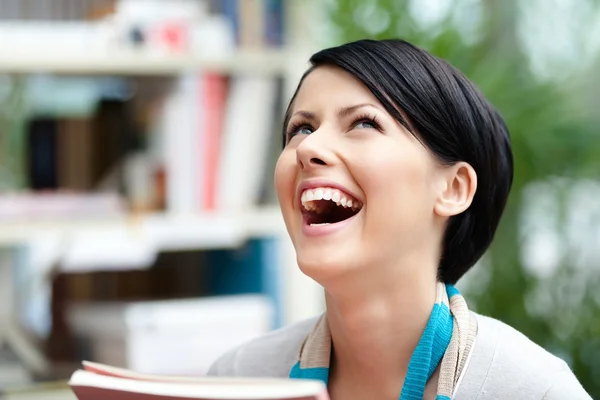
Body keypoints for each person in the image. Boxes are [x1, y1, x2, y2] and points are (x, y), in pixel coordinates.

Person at [207, 39, 591, 399]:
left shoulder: (533, 391)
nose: (309, 147)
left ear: (453, 188)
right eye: (301, 128)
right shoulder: (236, 382)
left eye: (363, 123)